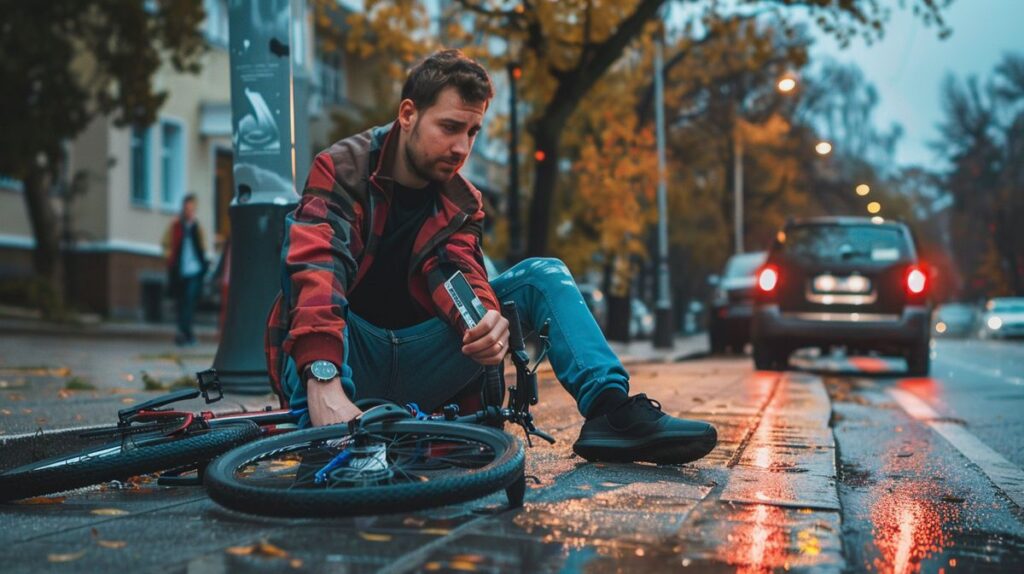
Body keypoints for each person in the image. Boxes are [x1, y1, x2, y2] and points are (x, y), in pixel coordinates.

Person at [264, 49, 717, 465]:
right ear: (408, 115)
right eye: (449, 127)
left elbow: (455, 271)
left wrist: (481, 323)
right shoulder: (342, 167)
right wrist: (324, 376)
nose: (462, 147)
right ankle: (324, 405)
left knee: (544, 274)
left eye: (472, 131)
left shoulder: (463, 200)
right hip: (346, 358)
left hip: (423, 361)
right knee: (306, 263)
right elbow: (317, 266)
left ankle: (612, 412)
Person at [162, 194, 209, 346]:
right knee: (182, 302)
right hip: (180, 271)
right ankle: (185, 333)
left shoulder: (196, 227)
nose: (189, 211)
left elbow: (202, 247)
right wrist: (169, 257)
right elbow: (166, 243)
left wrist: (203, 265)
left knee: (189, 301)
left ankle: (183, 332)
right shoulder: (176, 226)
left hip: (194, 270)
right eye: (187, 208)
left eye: (192, 209)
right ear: (183, 209)